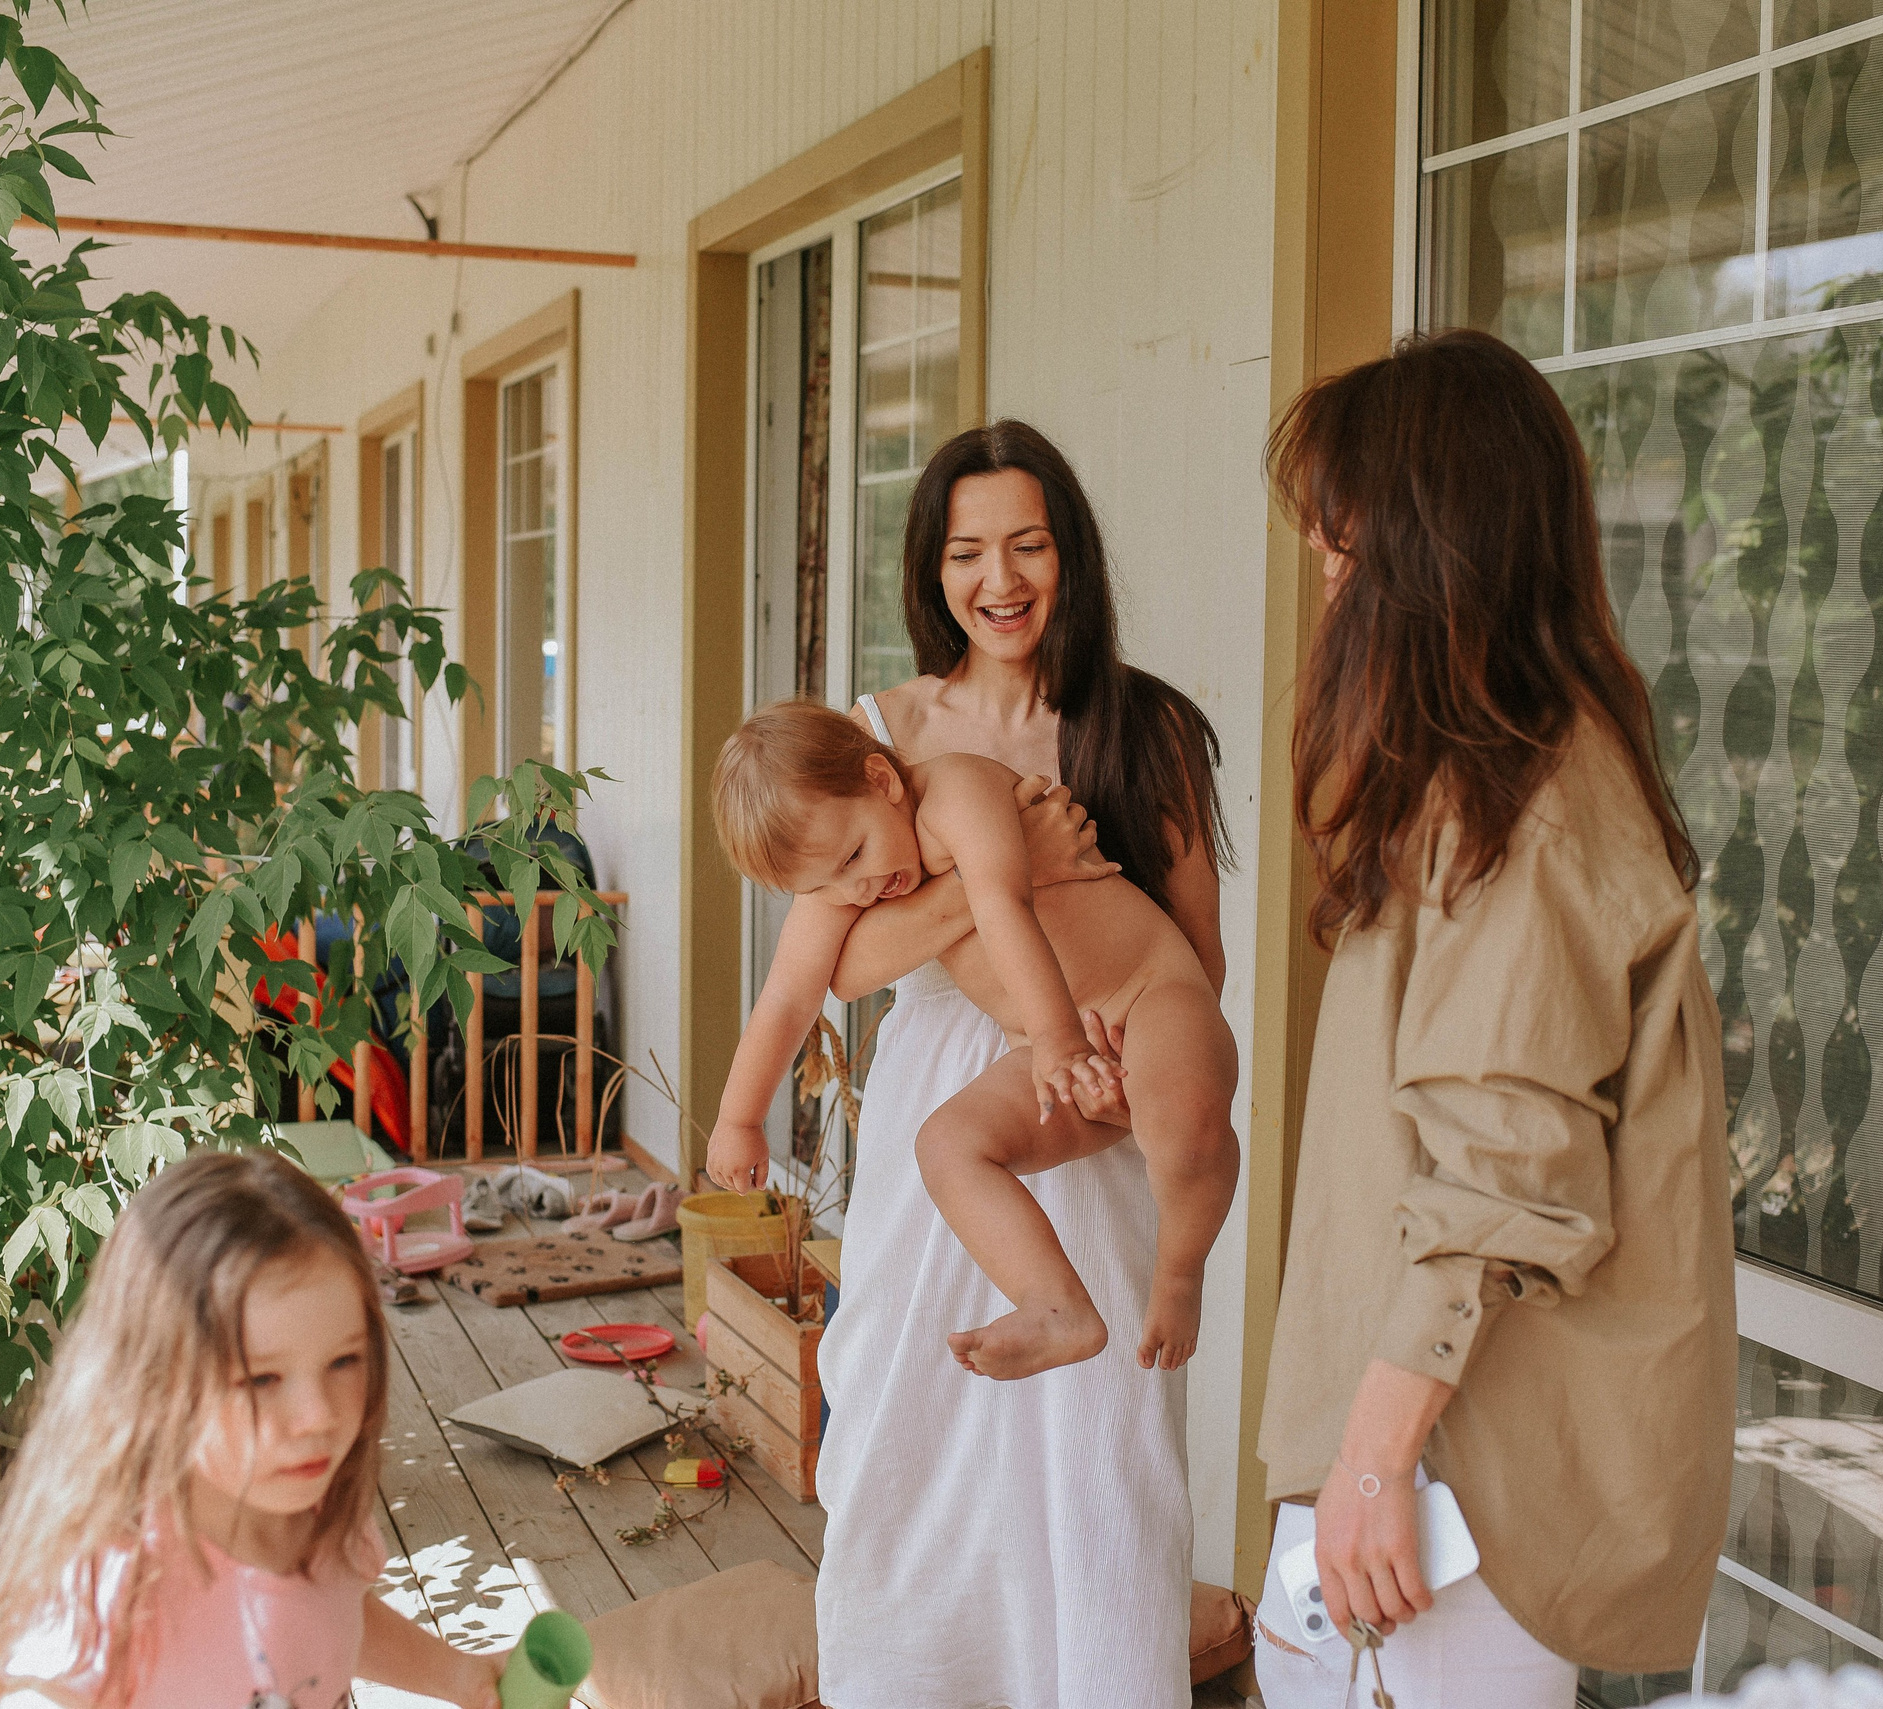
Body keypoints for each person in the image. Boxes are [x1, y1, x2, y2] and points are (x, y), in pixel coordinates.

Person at [1252, 329, 1738, 1707]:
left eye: (1342, 551)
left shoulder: (1512, 805)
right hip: (1439, 1463)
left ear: (1424, 553)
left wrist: (1370, 1462)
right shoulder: (1495, 779)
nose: (1325, 582)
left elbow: (1501, 1173)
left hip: (1458, 1486)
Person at [737, 420, 1226, 1709]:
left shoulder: (1145, 726)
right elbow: (839, 966)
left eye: (1026, 544)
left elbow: (1199, 959)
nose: (997, 579)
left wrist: (1097, 1021)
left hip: (1092, 1082)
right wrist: (993, 882)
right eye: (966, 552)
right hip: (942, 1098)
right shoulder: (879, 734)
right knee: (911, 1400)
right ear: (931, 569)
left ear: (1070, 554)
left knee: (1099, 1439)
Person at [707, 698, 1239, 1378]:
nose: (858, 887)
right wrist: (739, 1116)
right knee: (947, 1145)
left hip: (1150, 990)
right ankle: (1055, 1304)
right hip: (1051, 1052)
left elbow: (1001, 901)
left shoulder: (957, 790)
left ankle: (1181, 1272)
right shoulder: (841, 863)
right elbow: (788, 996)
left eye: (856, 855)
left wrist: (1060, 1039)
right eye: (829, 883)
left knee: (1186, 1119)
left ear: (881, 779)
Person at [0, 1149, 504, 1709]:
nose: (319, 1416)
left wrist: (456, 1675)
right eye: (261, 1379)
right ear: (155, 1383)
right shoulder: (115, 1582)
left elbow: (333, 1607)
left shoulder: (322, 1511)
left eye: (344, 1362)